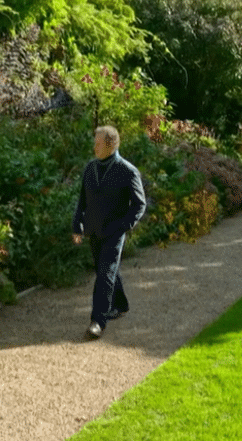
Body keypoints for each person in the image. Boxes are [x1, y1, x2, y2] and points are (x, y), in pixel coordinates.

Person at [71, 125, 147, 339]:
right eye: (94, 142)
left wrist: (124, 226)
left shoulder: (127, 171)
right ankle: (120, 304)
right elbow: (82, 200)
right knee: (106, 271)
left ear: (110, 144)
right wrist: (77, 226)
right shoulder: (90, 168)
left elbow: (139, 204)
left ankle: (98, 321)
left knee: (105, 274)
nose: (94, 146)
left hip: (114, 232)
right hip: (93, 229)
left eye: (98, 143)